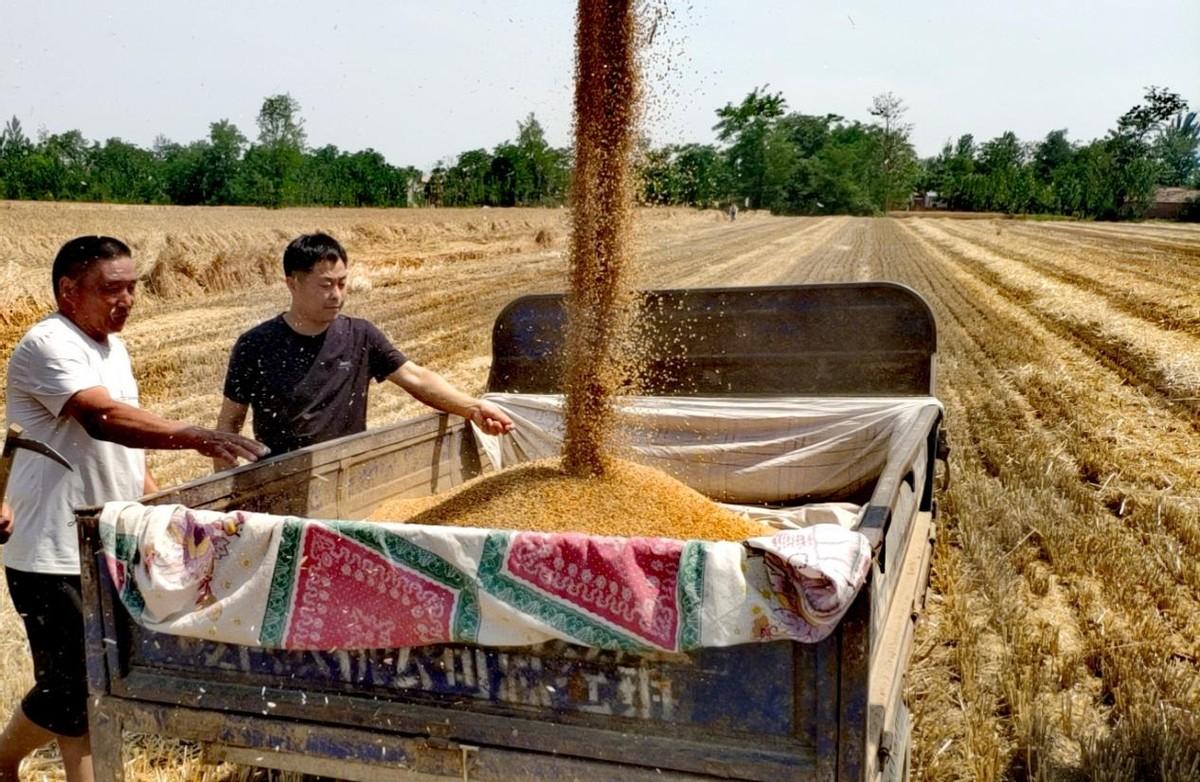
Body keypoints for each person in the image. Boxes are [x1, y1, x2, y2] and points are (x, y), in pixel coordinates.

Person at [0, 236, 268, 782]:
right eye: (110, 289)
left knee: (90, 680)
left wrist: (158, 504)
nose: (125, 300)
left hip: (108, 538)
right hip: (50, 548)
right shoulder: (48, 345)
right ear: (68, 291)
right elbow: (103, 419)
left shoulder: (111, 347)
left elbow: (122, 445)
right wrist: (194, 435)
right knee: (74, 682)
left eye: (132, 287)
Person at [213, 233, 514, 470]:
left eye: (342, 283)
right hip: (282, 478)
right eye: (326, 285)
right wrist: (225, 492)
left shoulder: (360, 335)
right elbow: (229, 424)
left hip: (349, 470)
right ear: (292, 284)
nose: (337, 295)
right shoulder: (256, 344)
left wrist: (472, 408)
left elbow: (416, 377)